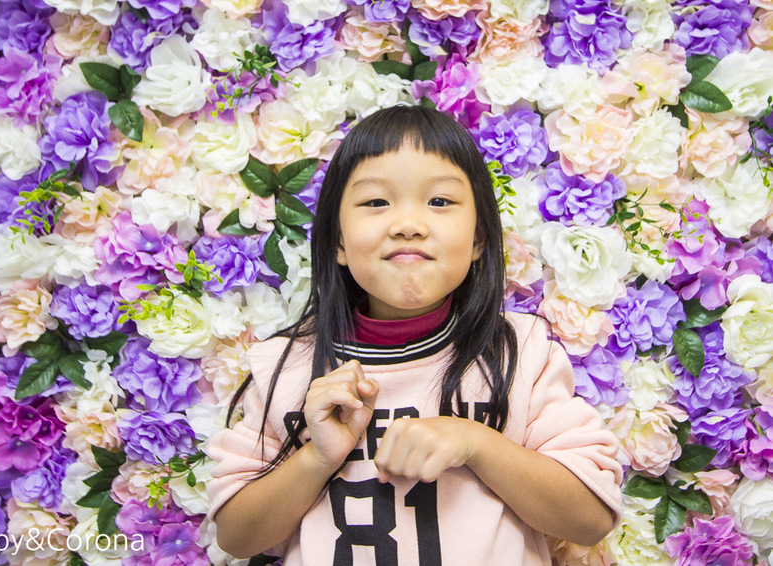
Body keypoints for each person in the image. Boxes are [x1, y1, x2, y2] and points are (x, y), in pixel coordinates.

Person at [206, 105, 623, 565]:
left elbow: (590, 518)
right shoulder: (287, 367)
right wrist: (315, 459)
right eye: (376, 202)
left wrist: (475, 443)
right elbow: (236, 537)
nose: (408, 224)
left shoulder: (519, 353)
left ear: (479, 239)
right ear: (339, 243)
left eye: (440, 201)